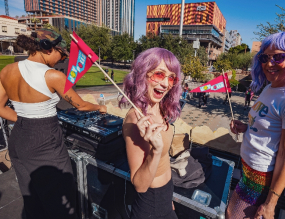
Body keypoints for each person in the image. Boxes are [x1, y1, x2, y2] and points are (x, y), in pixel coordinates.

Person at [0, 29, 107, 219]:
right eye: (62, 53)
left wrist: (25, 119)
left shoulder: (6, 70)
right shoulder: (52, 76)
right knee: (61, 203)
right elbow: (81, 105)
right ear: (48, 48)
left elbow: (0, 107)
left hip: (19, 139)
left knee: (33, 199)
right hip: (45, 143)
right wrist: (100, 108)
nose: (63, 58)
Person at [226, 30, 285, 219]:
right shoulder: (271, 87)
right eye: (264, 57)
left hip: (261, 179)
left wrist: (270, 204)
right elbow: (268, 127)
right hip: (248, 171)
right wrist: (247, 127)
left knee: (232, 216)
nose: (269, 63)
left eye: (278, 57)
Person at [121, 47, 181, 219]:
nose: (165, 84)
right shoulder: (135, 121)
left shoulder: (159, 107)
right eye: (159, 74)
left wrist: (168, 197)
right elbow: (139, 185)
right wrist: (155, 150)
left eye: (171, 78)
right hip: (150, 206)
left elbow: (165, 161)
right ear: (142, 74)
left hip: (165, 196)